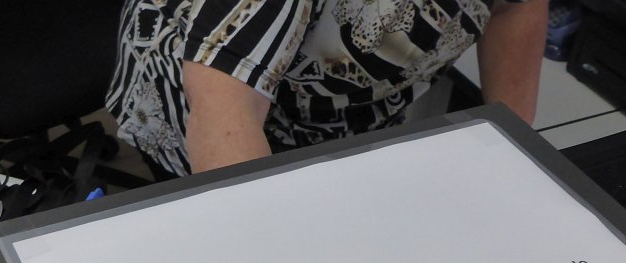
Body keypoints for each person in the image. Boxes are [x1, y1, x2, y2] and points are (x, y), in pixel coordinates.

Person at [106, 0, 548, 178]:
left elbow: (516, 8)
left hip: (347, 99)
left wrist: (514, 159)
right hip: (202, 83)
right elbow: (225, 102)